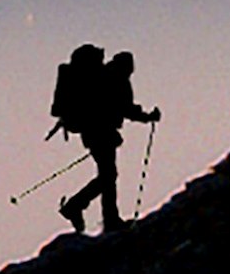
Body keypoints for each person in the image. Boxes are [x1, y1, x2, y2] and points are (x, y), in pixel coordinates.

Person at [49, 43, 160, 234]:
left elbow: (122, 107)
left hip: (94, 132)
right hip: (100, 131)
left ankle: (95, 212)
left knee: (108, 175)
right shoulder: (113, 79)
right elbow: (126, 108)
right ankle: (91, 212)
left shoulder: (105, 76)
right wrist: (148, 117)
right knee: (108, 175)